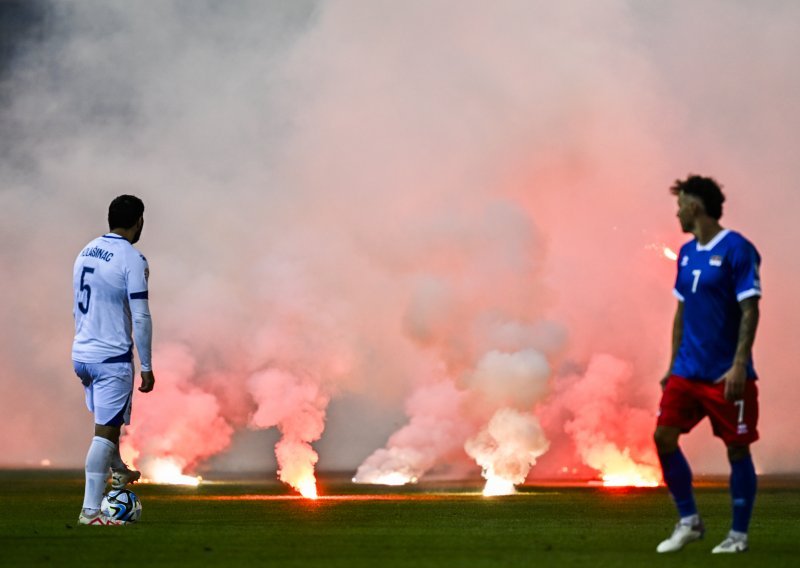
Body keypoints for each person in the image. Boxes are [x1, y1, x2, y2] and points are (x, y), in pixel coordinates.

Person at [654, 175, 761, 554]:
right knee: (663, 437)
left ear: (695, 207)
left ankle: (738, 536)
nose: (678, 212)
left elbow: (750, 309)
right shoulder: (685, 253)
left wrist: (738, 365)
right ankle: (689, 521)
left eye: (680, 204)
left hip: (724, 374)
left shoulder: (738, 250)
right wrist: (672, 365)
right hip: (687, 371)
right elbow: (682, 311)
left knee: (737, 450)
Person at [72, 195, 156, 525]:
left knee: (109, 422)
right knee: (104, 433)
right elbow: (141, 316)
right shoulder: (132, 258)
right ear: (139, 222)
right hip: (111, 357)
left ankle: (117, 466)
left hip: (82, 354)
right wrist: (147, 366)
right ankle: (90, 512)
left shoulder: (85, 251)